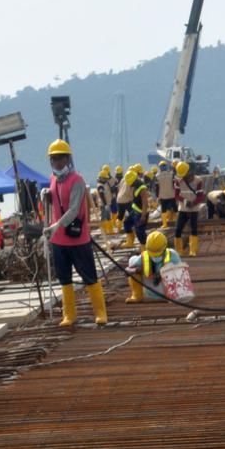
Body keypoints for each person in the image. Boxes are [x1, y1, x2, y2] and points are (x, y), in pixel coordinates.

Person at [44, 139, 107, 326]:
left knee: (89, 276)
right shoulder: (53, 179)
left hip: (78, 239)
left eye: (61, 158)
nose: (57, 162)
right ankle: (69, 315)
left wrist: (56, 225)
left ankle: (100, 312)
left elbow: (73, 209)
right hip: (59, 241)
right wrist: (47, 196)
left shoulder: (77, 180)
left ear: (68, 159)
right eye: (54, 159)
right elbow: (54, 204)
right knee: (64, 279)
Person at [125, 231, 181, 304]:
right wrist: (135, 270)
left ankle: (174, 295)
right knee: (132, 260)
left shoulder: (172, 255)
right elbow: (127, 270)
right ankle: (137, 296)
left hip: (168, 290)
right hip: (151, 290)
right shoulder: (145, 256)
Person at [173, 161, 205, 256]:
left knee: (194, 229)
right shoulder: (178, 181)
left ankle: (193, 251)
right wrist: (185, 201)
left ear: (189, 171)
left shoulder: (198, 181)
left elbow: (200, 196)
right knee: (178, 229)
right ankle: (179, 251)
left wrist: (194, 203)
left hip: (194, 209)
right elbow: (176, 195)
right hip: (182, 208)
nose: (183, 176)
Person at [122, 170, 150, 249]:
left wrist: (143, 216)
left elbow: (145, 202)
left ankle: (145, 248)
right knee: (126, 223)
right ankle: (130, 242)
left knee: (140, 231)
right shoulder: (135, 186)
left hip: (141, 213)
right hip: (135, 211)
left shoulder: (141, 187)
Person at [156, 161, 177, 228]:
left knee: (163, 209)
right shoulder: (171, 174)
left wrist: (158, 196)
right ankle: (177, 221)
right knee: (175, 208)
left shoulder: (157, 176)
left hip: (163, 196)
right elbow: (175, 185)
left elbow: (157, 188)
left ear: (159, 167)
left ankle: (165, 224)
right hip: (171, 195)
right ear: (166, 166)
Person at [96, 166, 115, 235]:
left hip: (107, 203)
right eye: (105, 178)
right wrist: (105, 204)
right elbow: (101, 195)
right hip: (103, 204)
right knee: (103, 217)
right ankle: (104, 230)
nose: (106, 179)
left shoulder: (105, 183)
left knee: (108, 216)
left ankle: (110, 229)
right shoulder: (100, 185)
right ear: (101, 178)